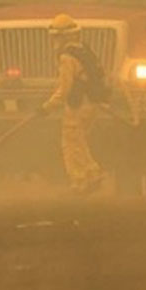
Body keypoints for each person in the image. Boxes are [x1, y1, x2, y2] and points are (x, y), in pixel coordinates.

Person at [39, 14, 108, 193]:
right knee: (79, 140)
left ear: (63, 36)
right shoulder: (84, 50)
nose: (54, 40)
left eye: (56, 36)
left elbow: (64, 90)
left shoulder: (67, 57)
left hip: (78, 105)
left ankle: (81, 180)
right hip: (92, 103)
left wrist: (46, 107)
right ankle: (89, 176)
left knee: (70, 142)